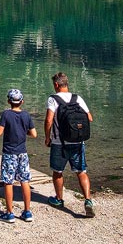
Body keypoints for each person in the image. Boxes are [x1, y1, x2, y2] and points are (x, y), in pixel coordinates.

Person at [44, 71, 95, 217]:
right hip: (78, 141)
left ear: (56, 84)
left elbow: (48, 120)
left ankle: (59, 199)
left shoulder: (53, 99)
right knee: (81, 171)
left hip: (59, 142)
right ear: (66, 83)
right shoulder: (77, 98)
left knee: (58, 171)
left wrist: (48, 137)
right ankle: (88, 200)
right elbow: (89, 118)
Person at [0, 88, 38, 222]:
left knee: (8, 182)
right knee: (24, 181)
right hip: (23, 153)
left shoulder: (6, 114)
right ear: (22, 101)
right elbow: (34, 134)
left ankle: (9, 213)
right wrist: (22, 131)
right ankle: (27, 212)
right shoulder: (26, 115)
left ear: (9, 101)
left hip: (9, 153)